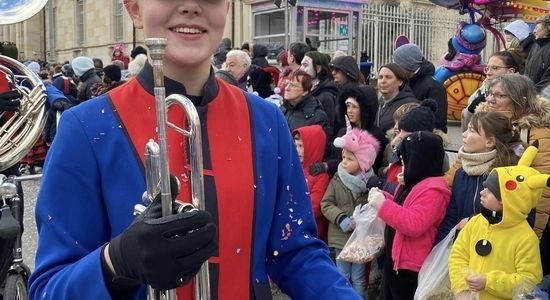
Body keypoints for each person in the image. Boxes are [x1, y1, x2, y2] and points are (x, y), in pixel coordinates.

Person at [29, 0, 360, 299]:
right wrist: (114, 262)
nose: (191, 6)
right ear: (134, 9)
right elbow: (49, 288)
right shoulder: (84, 129)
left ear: (226, 10)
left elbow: (296, 254)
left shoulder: (267, 121)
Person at [448, 145, 546, 299]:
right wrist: (462, 287)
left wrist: (489, 282)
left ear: (508, 200)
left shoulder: (525, 238)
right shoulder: (476, 222)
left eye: (491, 190)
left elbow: (529, 281)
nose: (482, 192)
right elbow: (458, 255)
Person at [368, 131, 451, 299]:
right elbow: (402, 208)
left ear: (419, 162)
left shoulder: (434, 191)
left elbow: (414, 223)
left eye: (406, 162)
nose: (403, 167)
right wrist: (386, 198)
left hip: (410, 268)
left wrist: (382, 205)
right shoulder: (413, 182)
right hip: (395, 260)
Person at [436, 111, 522, 243]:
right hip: (463, 251)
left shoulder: (508, 175)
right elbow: (452, 217)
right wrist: (439, 247)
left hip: (496, 252)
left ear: (489, 142)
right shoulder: (461, 173)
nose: (464, 134)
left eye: (471, 130)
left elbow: (515, 218)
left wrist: (472, 222)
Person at [321, 128, 380, 298]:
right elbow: (326, 203)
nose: (344, 162)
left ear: (362, 163)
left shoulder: (370, 183)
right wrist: (341, 218)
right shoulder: (337, 179)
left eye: (349, 159)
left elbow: (374, 208)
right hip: (340, 238)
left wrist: (364, 220)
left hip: (360, 240)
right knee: (342, 275)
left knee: (359, 278)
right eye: (343, 157)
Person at [461, 50, 524, 132]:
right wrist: (469, 111)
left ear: (511, 71)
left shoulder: (523, 95)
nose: (489, 73)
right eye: (487, 68)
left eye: (495, 68)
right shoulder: (480, 92)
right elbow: (467, 133)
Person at [393, 43, 448, 133]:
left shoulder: (433, 87)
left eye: (397, 64)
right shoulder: (405, 81)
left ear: (407, 64)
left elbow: (439, 123)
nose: (395, 68)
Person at [292, 125, 330, 243]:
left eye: (301, 146)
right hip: (292, 230)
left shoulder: (320, 176)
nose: (297, 150)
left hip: (310, 234)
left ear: (312, 148)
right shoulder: (293, 169)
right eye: (295, 145)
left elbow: (315, 207)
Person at [280, 70, 332, 139]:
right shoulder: (282, 109)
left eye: (293, 85)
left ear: (305, 91)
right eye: (287, 84)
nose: (286, 88)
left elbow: (322, 146)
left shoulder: (317, 116)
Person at [375, 63, 418, 134]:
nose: (383, 81)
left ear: (400, 82)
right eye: (380, 77)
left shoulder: (409, 105)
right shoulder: (379, 103)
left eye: (388, 77)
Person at [300, 51, 338, 130]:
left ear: (318, 68)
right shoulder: (310, 89)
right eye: (301, 65)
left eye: (305, 65)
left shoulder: (327, 96)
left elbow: (328, 128)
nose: (301, 69)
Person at [524, 14, 550, 91]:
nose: (534, 31)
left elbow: (547, 79)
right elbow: (527, 71)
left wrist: (534, 92)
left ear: (547, 29)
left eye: (537, 28)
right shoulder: (535, 45)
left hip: (543, 98)